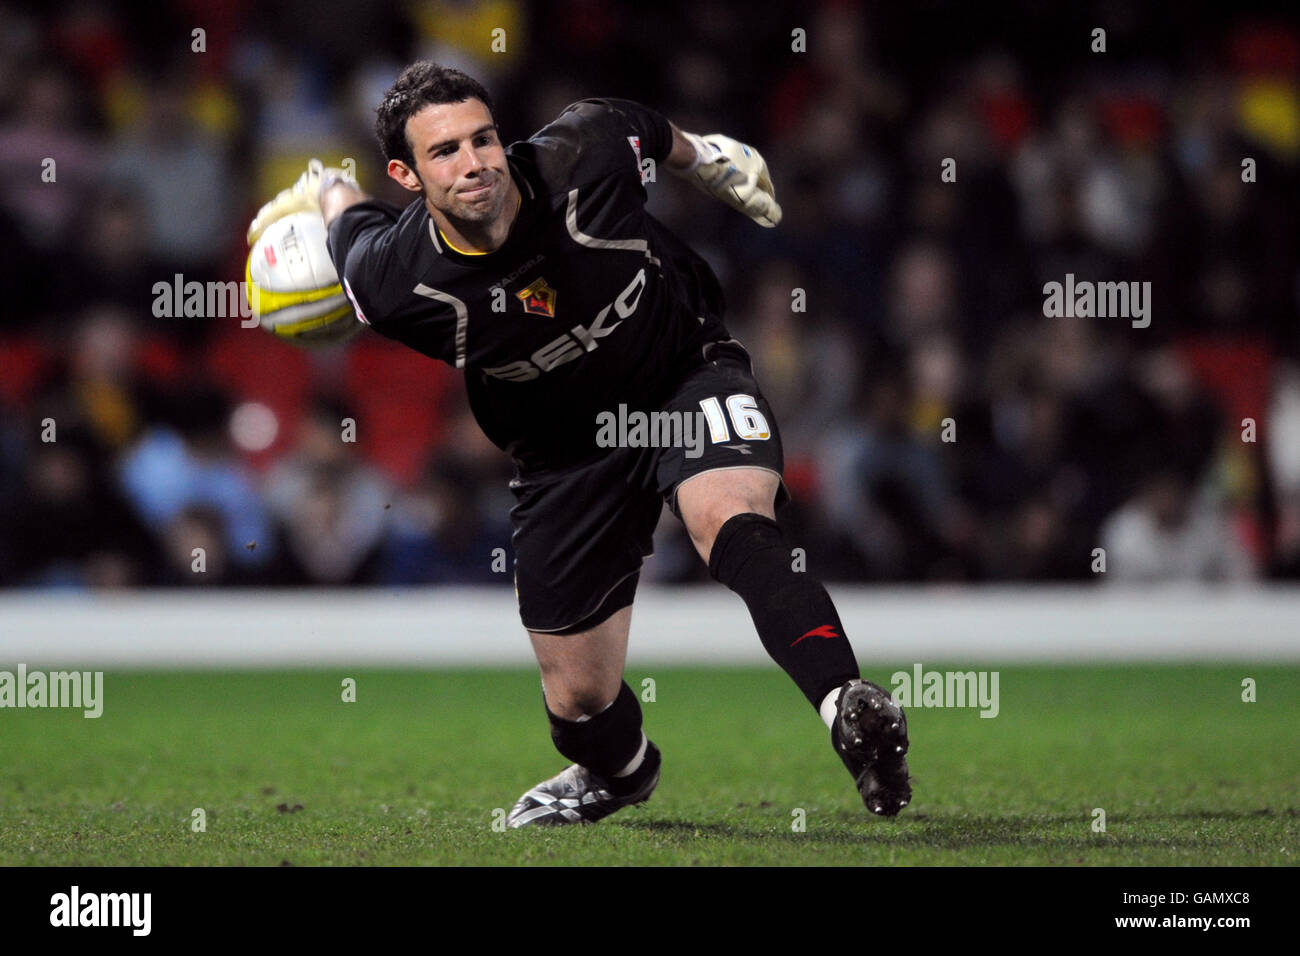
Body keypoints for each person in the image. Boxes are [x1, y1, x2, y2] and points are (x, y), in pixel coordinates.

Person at [248, 61, 910, 826]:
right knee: (578, 701)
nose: (474, 164)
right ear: (406, 174)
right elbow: (347, 219)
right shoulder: (392, 281)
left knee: (729, 517)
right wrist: (328, 182)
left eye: (483, 138)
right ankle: (621, 775)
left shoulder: (583, 154)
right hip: (565, 452)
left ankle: (846, 703)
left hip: (680, 373)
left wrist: (710, 159)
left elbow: (649, 129)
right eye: (444, 152)